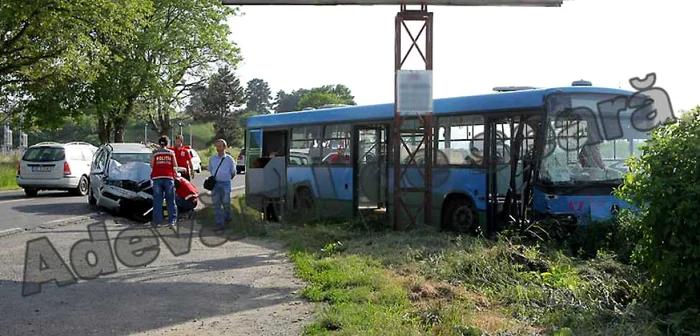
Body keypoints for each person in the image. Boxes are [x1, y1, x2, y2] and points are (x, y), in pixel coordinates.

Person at [150, 135, 178, 229]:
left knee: (158, 201)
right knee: (171, 200)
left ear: (159, 143)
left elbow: (151, 165)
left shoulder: (155, 153)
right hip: (169, 178)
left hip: (157, 178)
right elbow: (175, 165)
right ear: (167, 143)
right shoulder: (171, 153)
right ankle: (172, 221)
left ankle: (158, 222)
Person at [208, 139, 236, 231]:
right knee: (216, 204)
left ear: (224, 147)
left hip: (225, 183)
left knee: (226, 202)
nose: (218, 148)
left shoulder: (229, 159)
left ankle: (228, 217)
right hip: (215, 184)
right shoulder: (212, 159)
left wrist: (227, 179)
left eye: (220, 146)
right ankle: (219, 223)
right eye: (217, 146)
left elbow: (233, 172)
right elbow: (211, 170)